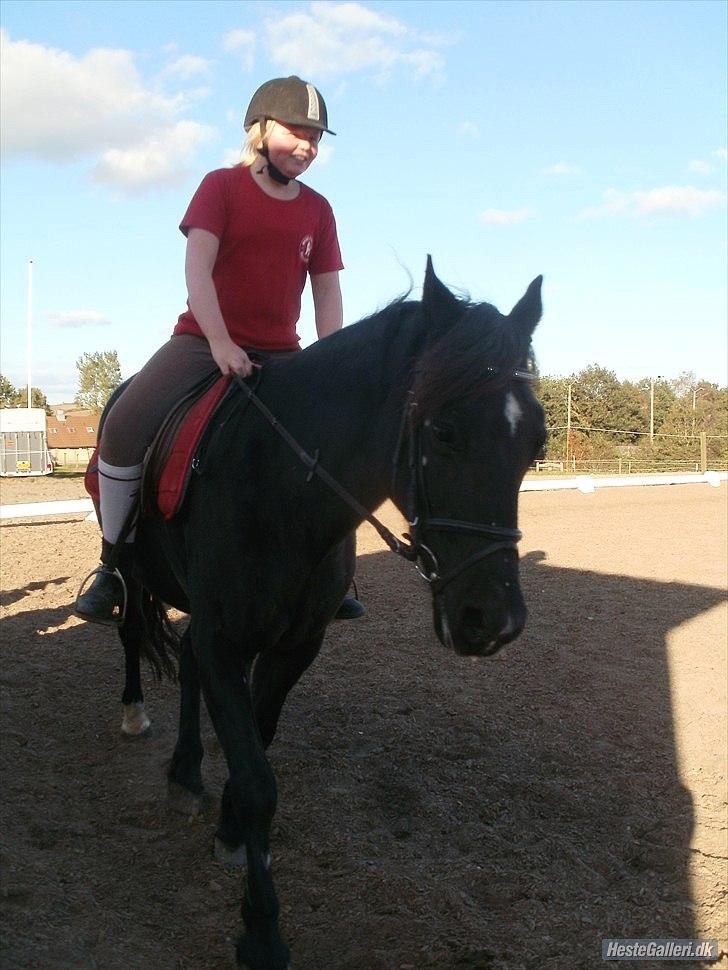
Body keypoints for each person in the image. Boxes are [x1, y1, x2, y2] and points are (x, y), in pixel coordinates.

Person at [75, 75, 364, 624]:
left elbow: (327, 290)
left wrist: (332, 362)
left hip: (283, 353)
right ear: (260, 131)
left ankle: (334, 571)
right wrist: (220, 342)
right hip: (201, 342)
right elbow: (198, 270)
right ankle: (114, 563)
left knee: (334, 441)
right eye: (296, 133)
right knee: (124, 424)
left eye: (315, 138)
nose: (307, 146)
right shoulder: (220, 187)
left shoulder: (319, 210)